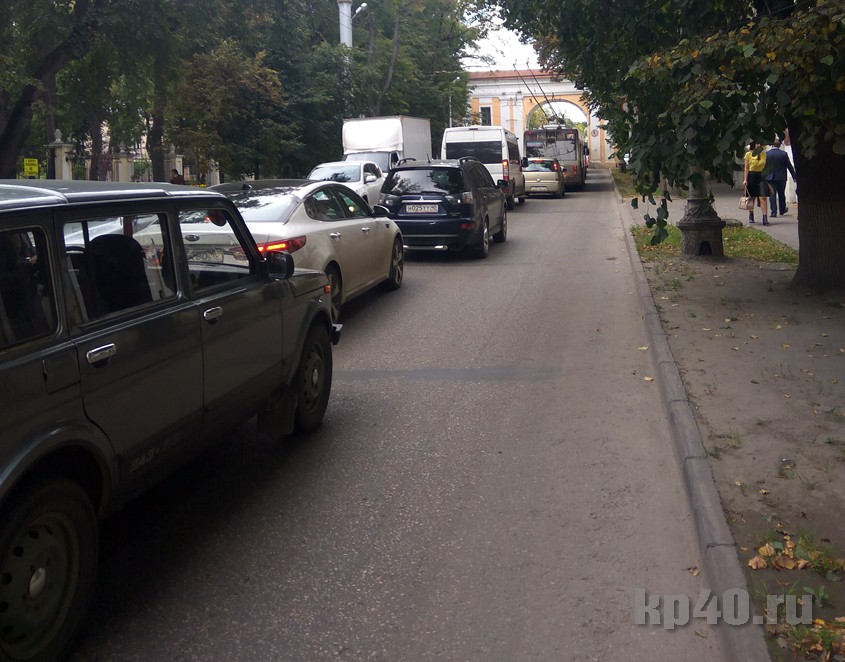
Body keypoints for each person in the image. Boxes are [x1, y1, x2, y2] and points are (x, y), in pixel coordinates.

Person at [765, 137, 797, 218]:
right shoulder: (783, 154)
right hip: (781, 177)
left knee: (772, 194)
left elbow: (764, 166)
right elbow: (789, 166)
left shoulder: (767, 154)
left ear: (772, 145)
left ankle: (773, 212)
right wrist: (794, 176)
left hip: (770, 177)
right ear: (779, 145)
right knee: (781, 193)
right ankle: (782, 210)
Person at [743, 140, 769, 225]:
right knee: (752, 197)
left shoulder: (763, 154)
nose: (759, 145)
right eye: (758, 144)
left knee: (763, 196)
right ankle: (751, 214)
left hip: (761, 175)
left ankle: (765, 217)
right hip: (752, 175)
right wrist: (745, 179)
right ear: (754, 145)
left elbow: (765, 166)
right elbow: (746, 168)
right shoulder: (748, 154)